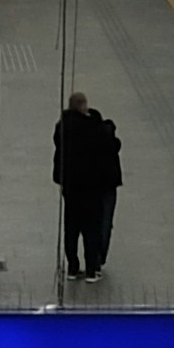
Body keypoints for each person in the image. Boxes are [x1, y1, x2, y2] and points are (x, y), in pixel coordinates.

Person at [53, 89, 122, 279]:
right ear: (83, 106)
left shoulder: (62, 127)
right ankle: (92, 269)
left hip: (71, 187)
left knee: (71, 228)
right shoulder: (94, 127)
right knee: (92, 227)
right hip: (91, 187)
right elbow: (112, 145)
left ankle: (73, 267)